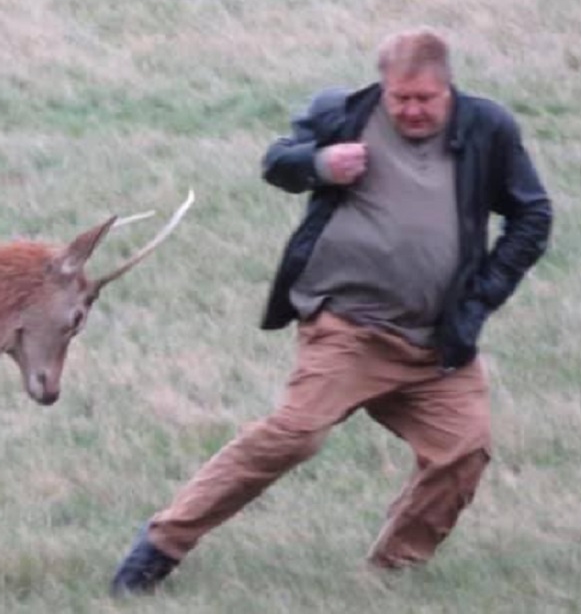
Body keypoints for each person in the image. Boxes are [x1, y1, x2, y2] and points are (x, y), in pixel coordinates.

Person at [110, 29, 553, 596]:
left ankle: (391, 574)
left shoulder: (488, 128)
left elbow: (532, 215)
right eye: (401, 99)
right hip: (348, 330)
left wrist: (481, 297)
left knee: (463, 450)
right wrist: (320, 163)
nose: (412, 110)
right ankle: (160, 547)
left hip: (436, 340)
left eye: (426, 99)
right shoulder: (343, 113)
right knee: (293, 435)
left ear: (449, 89)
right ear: (383, 88)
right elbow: (277, 164)